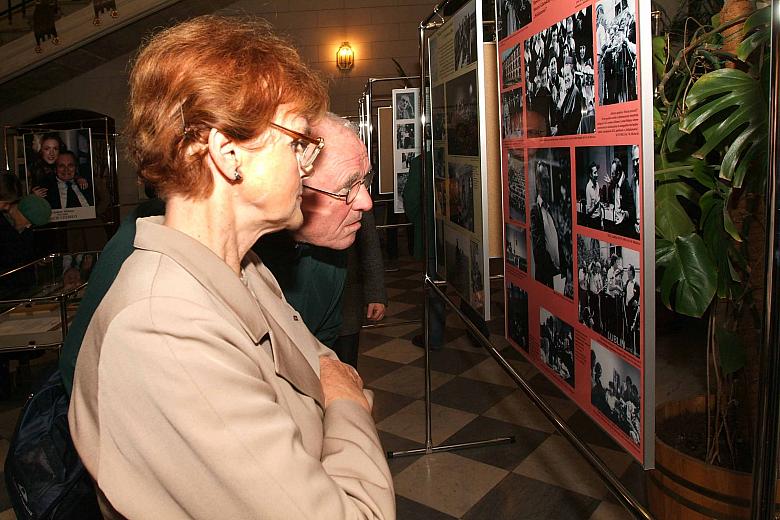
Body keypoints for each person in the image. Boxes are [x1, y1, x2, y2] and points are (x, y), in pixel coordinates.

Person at [68, 16, 394, 519]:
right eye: (297, 144)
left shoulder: (246, 267)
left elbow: (321, 365)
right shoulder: (162, 328)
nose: (306, 165)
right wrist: (346, 404)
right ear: (227, 153)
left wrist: (333, 389)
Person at [530, 160, 560, 289]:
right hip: (546, 278)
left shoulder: (549, 209)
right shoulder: (535, 211)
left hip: (556, 275)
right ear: (537, 182)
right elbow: (538, 250)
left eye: (548, 180)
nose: (547, 184)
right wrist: (553, 268)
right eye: (543, 180)